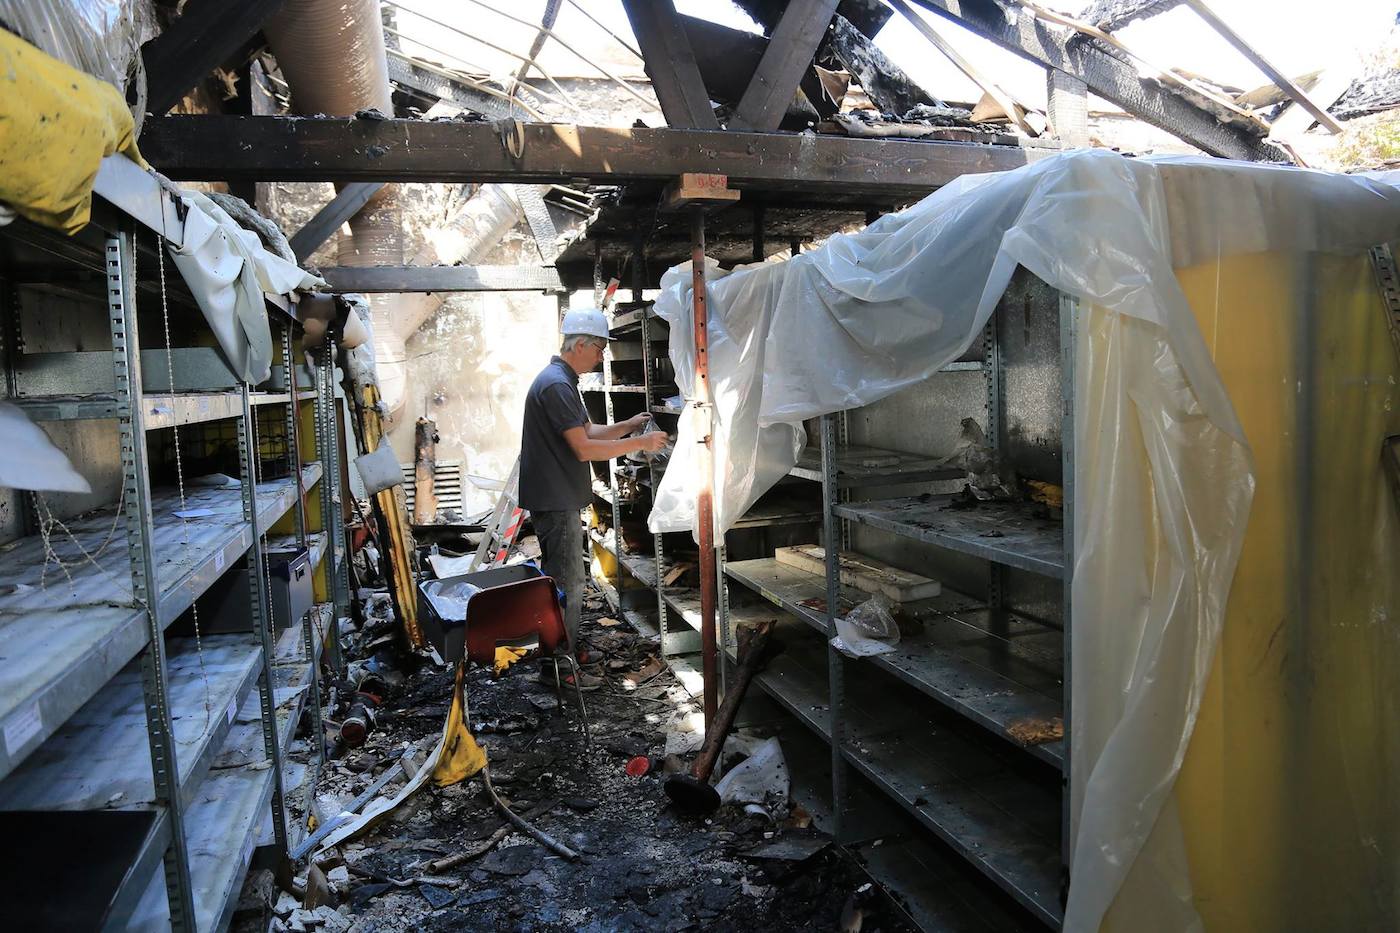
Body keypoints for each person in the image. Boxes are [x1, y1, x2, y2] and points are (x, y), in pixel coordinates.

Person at [519, 307, 668, 689]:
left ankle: (563, 649)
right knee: (567, 582)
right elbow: (584, 448)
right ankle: (561, 669)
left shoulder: (561, 381)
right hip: (555, 500)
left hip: (556, 496)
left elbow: (589, 430)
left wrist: (627, 426)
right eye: (600, 348)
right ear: (580, 344)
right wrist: (641, 442)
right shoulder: (556, 385)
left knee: (565, 581)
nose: (602, 355)